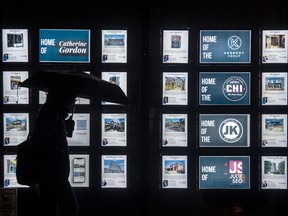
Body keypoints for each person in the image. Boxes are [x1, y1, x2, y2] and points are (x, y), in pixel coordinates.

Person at [31, 88, 79, 216]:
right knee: (70, 206)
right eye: (72, 98)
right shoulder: (52, 113)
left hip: (49, 173)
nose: (73, 101)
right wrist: (59, 153)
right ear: (63, 97)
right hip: (53, 172)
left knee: (49, 209)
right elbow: (44, 141)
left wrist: (64, 126)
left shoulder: (53, 112)